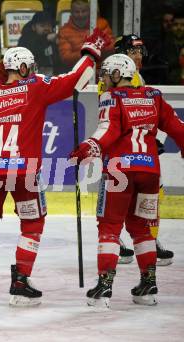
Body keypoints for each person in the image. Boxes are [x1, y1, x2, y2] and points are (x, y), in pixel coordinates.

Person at [0, 28, 110, 306]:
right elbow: (77, 80)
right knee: (33, 223)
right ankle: (20, 282)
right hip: (24, 174)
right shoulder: (37, 86)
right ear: (25, 67)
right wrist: (90, 52)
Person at [70, 53, 184, 308]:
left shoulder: (113, 97)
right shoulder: (154, 96)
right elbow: (177, 127)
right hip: (150, 171)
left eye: (108, 74)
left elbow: (107, 130)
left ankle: (105, 286)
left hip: (120, 171)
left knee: (109, 227)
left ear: (118, 74)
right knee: (142, 228)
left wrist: (89, 146)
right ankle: (148, 285)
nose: (104, 80)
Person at [99, 34, 175, 266]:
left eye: (141, 51)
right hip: (120, 149)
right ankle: (120, 240)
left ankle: (146, 239)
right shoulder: (116, 78)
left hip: (132, 149)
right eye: (133, 51)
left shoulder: (134, 76)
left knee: (147, 197)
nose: (139, 56)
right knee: (117, 199)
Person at [58, 0, 114, 71]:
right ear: (71, 12)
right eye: (77, 12)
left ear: (90, 11)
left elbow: (112, 46)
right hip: (78, 72)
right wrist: (87, 51)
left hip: (102, 70)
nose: (80, 15)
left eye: (84, 11)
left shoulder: (102, 24)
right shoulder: (64, 31)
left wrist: (94, 49)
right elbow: (65, 57)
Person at [17, 11, 58, 76]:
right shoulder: (25, 39)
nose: (46, 28)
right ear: (33, 27)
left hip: (51, 77)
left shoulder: (53, 39)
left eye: (49, 25)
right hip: (31, 78)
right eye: (42, 26)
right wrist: (46, 39)